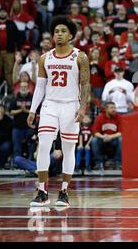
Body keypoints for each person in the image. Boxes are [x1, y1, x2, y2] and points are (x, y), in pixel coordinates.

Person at [27, 16, 90, 207]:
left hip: (71, 105)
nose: (59, 34)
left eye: (63, 31)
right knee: (44, 145)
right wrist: (32, 110)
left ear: (70, 35)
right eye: (56, 31)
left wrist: (83, 107)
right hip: (50, 105)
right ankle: (42, 191)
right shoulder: (45, 58)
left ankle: (64, 192)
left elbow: (85, 83)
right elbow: (40, 87)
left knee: (69, 149)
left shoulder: (80, 56)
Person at [90, 102, 122, 171]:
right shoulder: (100, 117)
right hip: (102, 139)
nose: (114, 110)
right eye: (111, 108)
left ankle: (118, 163)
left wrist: (110, 137)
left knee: (121, 139)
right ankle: (99, 163)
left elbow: (121, 132)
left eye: (114, 108)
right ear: (106, 109)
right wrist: (103, 137)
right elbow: (95, 132)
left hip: (114, 139)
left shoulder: (118, 117)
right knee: (94, 140)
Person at [9, 81, 35, 163]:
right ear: (19, 88)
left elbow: (36, 112)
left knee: (31, 146)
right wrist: (21, 110)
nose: (23, 88)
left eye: (25, 87)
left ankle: (30, 162)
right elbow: (10, 111)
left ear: (28, 88)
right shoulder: (15, 98)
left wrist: (26, 110)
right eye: (22, 86)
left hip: (29, 127)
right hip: (17, 127)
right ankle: (17, 163)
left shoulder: (32, 98)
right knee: (17, 147)